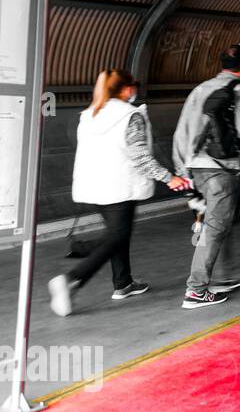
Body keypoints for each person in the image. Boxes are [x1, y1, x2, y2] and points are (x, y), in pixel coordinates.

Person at [47, 70, 192, 317]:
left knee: (117, 234)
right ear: (125, 89)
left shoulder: (90, 115)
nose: (134, 90)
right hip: (119, 185)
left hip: (95, 185)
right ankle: (72, 279)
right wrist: (170, 178)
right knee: (117, 235)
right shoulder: (129, 116)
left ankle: (123, 283)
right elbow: (140, 157)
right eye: (133, 86)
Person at [172, 44, 240, 310]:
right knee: (215, 228)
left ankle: (225, 275)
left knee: (218, 223)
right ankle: (196, 290)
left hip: (196, 166)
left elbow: (182, 131)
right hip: (223, 170)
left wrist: (182, 169)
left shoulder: (200, 90)